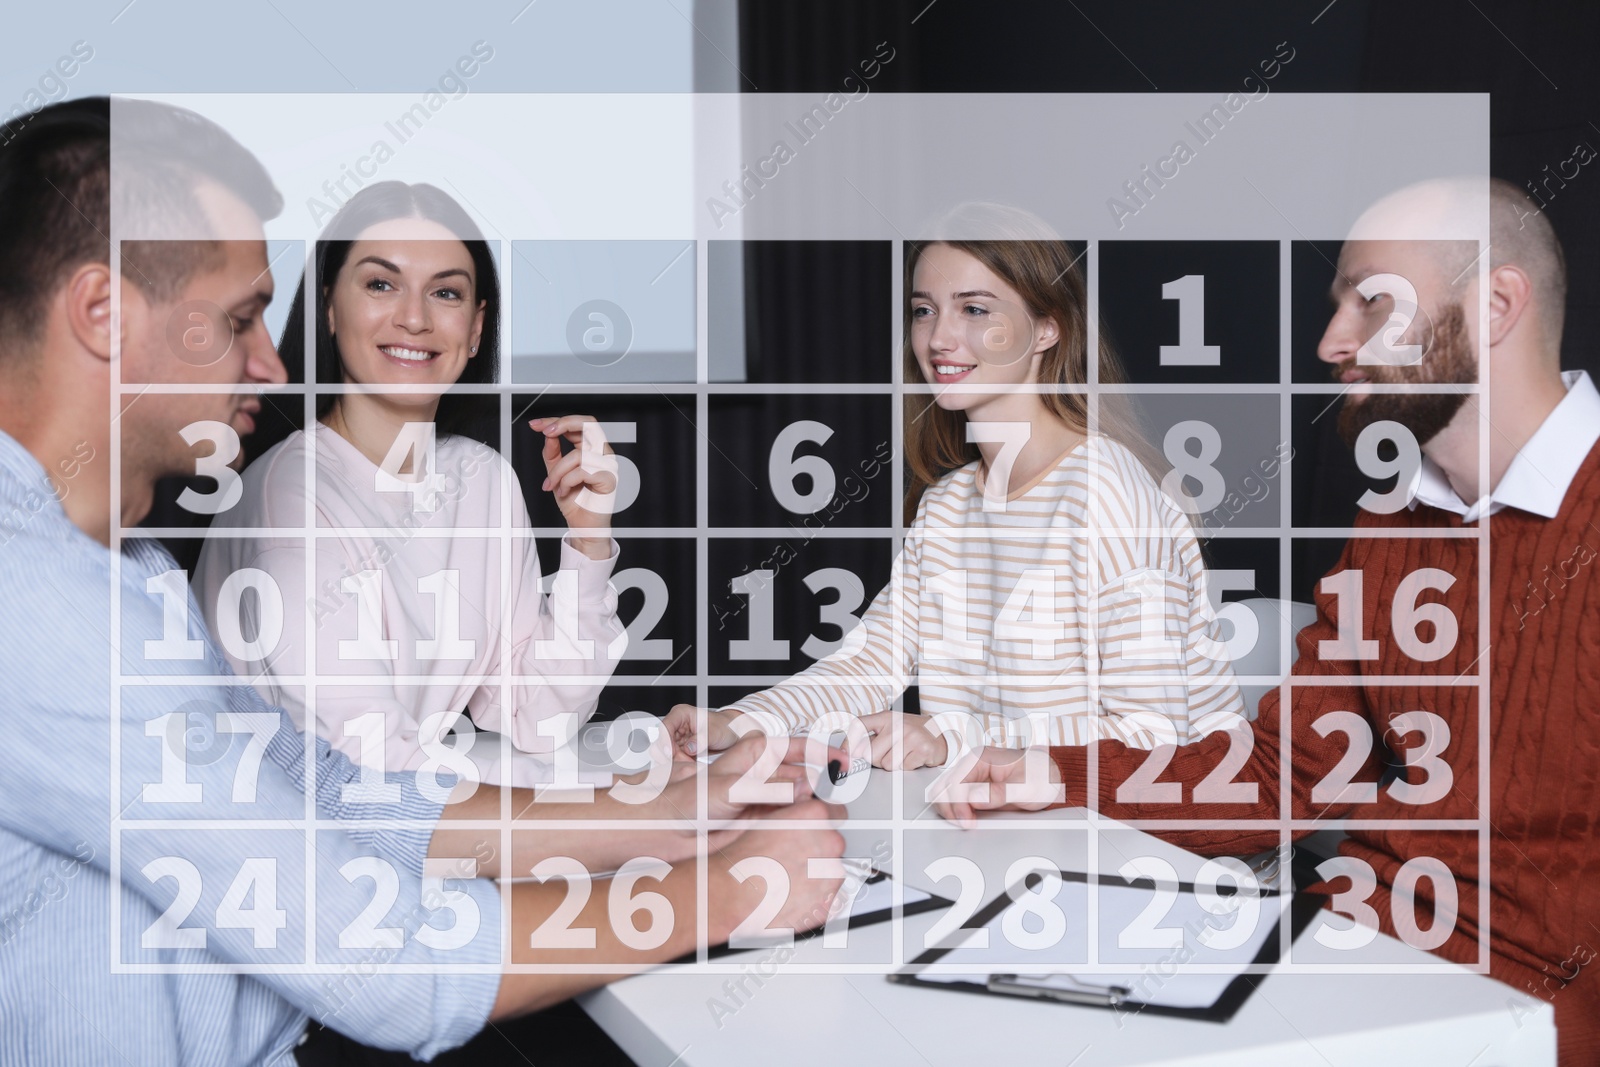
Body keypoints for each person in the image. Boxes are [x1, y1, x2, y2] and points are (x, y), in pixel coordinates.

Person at [0, 96, 844, 1065]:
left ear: (478, 322)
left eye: (447, 291)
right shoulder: (47, 610)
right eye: (239, 320)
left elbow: (326, 787)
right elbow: (383, 955)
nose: (270, 366)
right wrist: (731, 887)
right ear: (102, 313)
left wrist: (662, 812)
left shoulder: (129, 573)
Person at [938, 178, 1600, 1064]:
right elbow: (1284, 776)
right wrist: (1049, 770)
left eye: (1371, 302)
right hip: (1343, 967)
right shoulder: (1393, 520)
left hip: (1521, 1018)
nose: (1332, 341)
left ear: (1495, 306)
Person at [666, 236, 1247, 769]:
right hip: (1015, 817)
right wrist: (738, 722)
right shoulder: (947, 504)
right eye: (925, 310)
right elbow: (871, 664)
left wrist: (951, 737)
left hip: (1155, 839)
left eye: (974, 309)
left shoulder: (1107, 492)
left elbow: (1153, 735)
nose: (939, 338)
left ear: (1047, 329)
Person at [193, 181, 623, 786]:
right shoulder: (287, 496)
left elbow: (536, 717)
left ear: (475, 330)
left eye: (445, 292)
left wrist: (588, 545)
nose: (415, 318)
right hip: (289, 839)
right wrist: (627, 808)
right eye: (380, 284)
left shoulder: (483, 480)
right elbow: (362, 763)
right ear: (330, 309)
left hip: (399, 828)